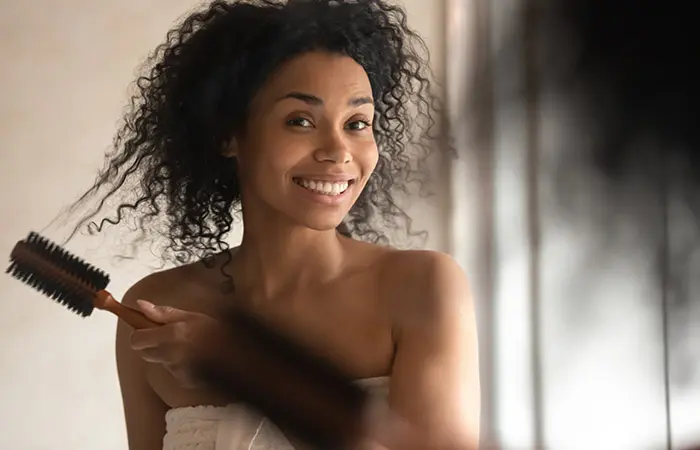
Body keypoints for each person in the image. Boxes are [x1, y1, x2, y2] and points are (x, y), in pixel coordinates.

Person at [66, 0, 480, 448]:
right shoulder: (152, 307)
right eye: (300, 121)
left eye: (357, 123)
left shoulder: (420, 287)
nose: (339, 151)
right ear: (229, 135)